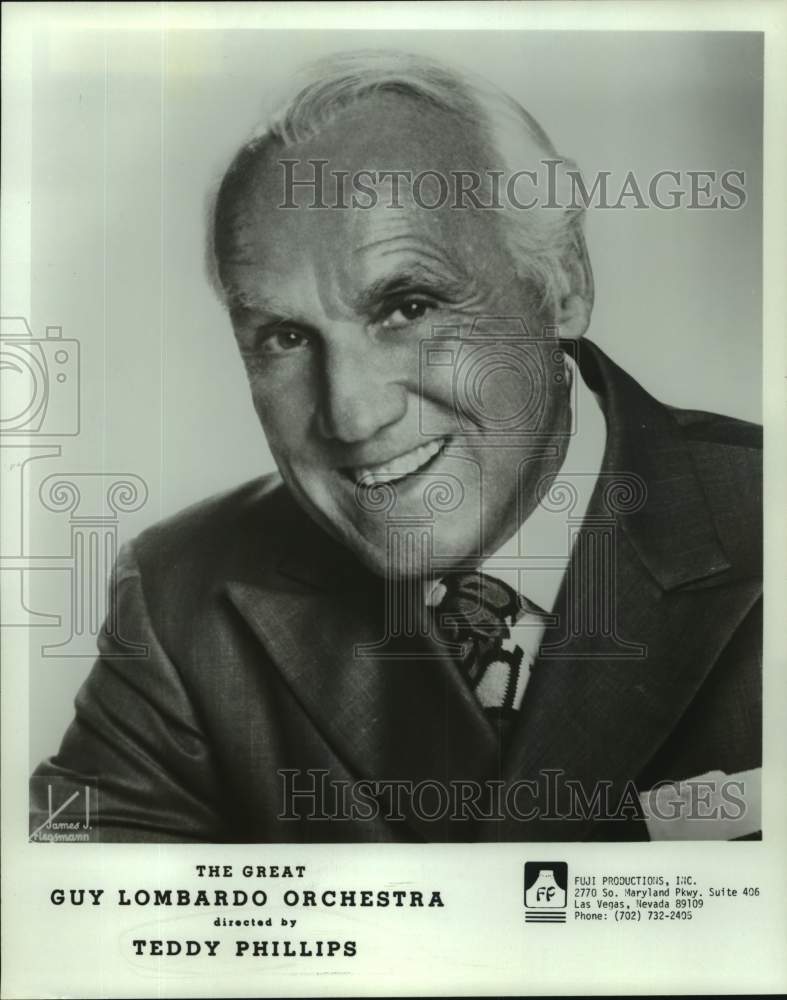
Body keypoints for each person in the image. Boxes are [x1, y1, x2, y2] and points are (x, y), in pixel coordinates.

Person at [31, 51, 762, 843]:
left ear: (561, 283)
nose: (350, 416)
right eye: (282, 337)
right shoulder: (181, 593)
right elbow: (84, 911)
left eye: (408, 307)